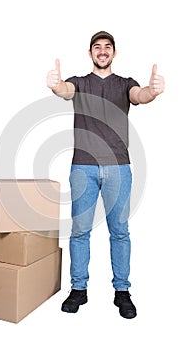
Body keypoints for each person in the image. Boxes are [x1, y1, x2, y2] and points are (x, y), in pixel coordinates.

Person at [47, 31, 164, 319]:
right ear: (90, 53)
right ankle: (79, 290)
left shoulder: (125, 84)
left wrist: (153, 90)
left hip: (118, 168)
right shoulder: (80, 82)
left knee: (120, 232)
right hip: (83, 167)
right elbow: (65, 90)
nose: (102, 51)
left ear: (114, 53)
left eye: (107, 47)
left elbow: (141, 96)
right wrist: (55, 86)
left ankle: (122, 292)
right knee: (80, 231)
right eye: (97, 47)